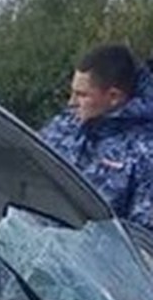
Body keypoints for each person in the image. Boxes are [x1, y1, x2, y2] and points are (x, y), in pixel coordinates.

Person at [39, 44, 153, 228]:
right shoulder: (64, 125)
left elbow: (144, 239)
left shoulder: (145, 150)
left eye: (81, 95)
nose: (71, 103)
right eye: (72, 93)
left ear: (114, 96)